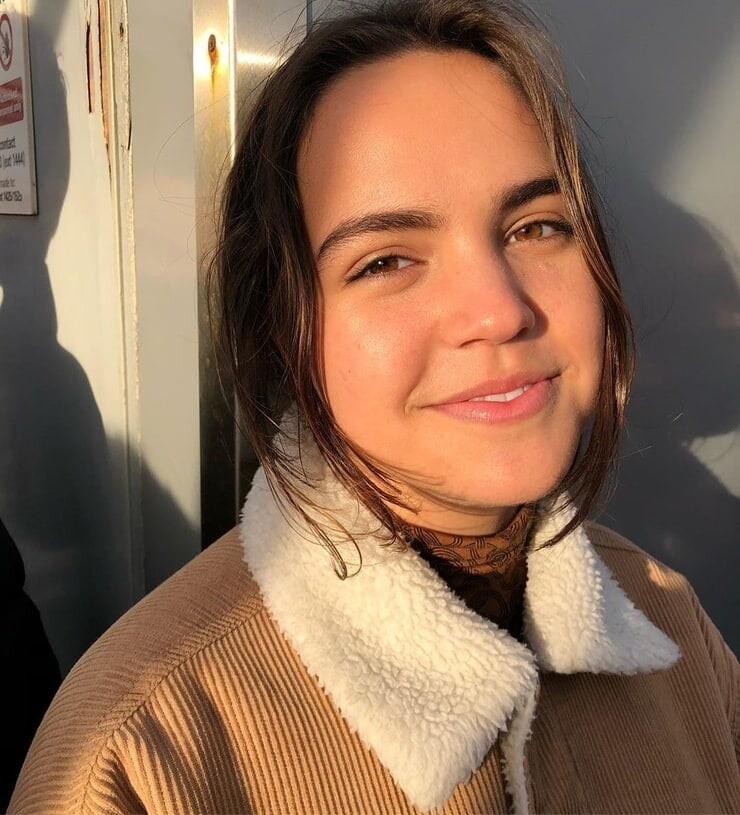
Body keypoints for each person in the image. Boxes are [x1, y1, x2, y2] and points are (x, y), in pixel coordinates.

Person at [9, 1, 739, 812]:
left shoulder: (670, 626)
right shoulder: (145, 751)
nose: (499, 310)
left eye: (536, 227)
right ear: (283, 327)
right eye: (386, 260)